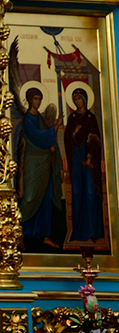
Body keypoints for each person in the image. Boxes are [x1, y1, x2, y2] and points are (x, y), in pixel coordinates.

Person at [16, 87, 63, 248]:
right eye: (35, 99)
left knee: (46, 198)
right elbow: (37, 136)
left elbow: (48, 140)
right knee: (30, 197)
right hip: (34, 162)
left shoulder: (40, 118)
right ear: (30, 100)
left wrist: (52, 147)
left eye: (40, 99)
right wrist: (54, 128)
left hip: (45, 162)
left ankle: (45, 235)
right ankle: (19, 233)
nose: (38, 102)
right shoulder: (27, 119)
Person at [64, 87, 103, 241]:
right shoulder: (72, 118)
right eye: (75, 99)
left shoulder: (91, 118)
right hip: (76, 158)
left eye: (79, 98)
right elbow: (67, 138)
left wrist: (90, 156)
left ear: (85, 100)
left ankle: (92, 231)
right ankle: (78, 232)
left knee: (90, 192)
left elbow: (96, 140)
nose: (77, 101)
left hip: (88, 160)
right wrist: (74, 132)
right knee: (77, 193)